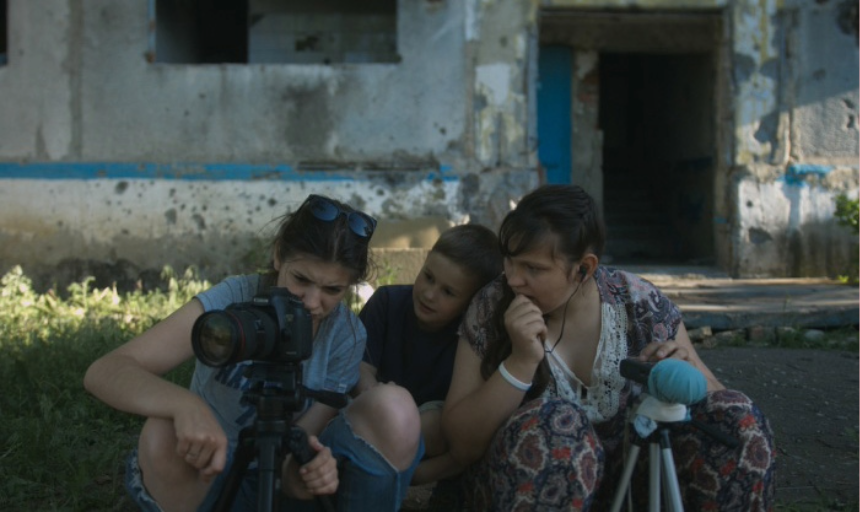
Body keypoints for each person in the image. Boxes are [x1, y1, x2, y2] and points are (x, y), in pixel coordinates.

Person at [441, 184, 776, 511]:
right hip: (522, 484)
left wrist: (686, 376)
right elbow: (462, 444)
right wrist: (520, 362)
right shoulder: (492, 307)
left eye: (533, 268)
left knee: (739, 419)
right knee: (558, 425)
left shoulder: (640, 304)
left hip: (637, 487)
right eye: (510, 261)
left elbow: (718, 402)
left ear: (584, 269)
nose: (513, 279)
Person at [84, 194, 423, 512]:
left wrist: (301, 470)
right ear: (279, 255)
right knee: (162, 431)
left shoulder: (344, 335)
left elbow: (308, 431)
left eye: (333, 289)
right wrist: (183, 405)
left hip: (284, 479)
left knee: (395, 406)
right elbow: (107, 370)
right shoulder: (233, 299)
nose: (311, 302)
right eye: (301, 279)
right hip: (209, 469)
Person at [353, 224, 503, 487]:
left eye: (448, 292)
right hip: (374, 411)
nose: (429, 294)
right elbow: (361, 367)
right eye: (428, 276)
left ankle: (394, 472)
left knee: (436, 423)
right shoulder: (387, 302)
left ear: (471, 303)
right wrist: (380, 401)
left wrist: (422, 475)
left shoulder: (470, 338)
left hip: (425, 439)